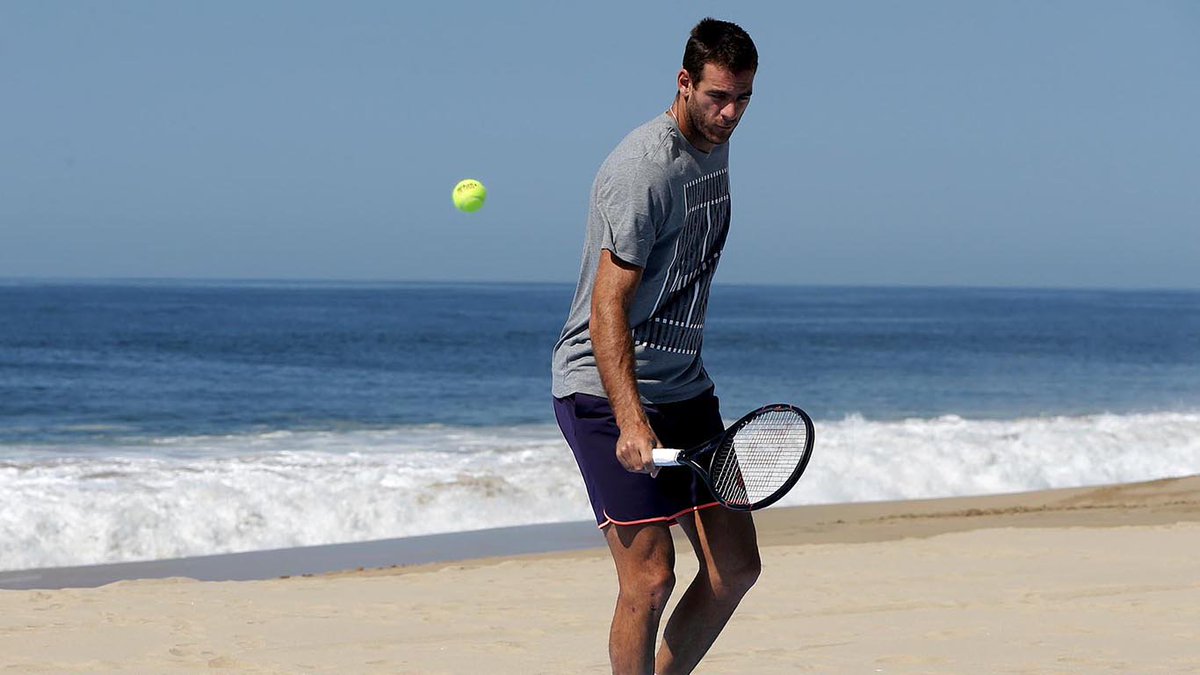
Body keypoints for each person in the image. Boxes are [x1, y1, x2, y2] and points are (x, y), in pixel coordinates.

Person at [551, 17, 759, 675]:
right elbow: (605, 307)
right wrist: (632, 420)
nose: (728, 113)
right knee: (650, 577)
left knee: (736, 566)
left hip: (686, 388)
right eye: (716, 97)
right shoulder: (644, 170)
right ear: (684, 82)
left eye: (742, 99)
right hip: (603, 389)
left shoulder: (713, 143)